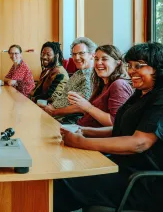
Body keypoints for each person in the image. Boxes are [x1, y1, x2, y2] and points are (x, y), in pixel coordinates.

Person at [55, 42, 163, 212]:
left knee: (63, 182)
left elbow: (139, 143)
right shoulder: (139, 94)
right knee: (61, 175)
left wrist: (81, 142)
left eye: (138, 66)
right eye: (130, 65)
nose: (132, 71)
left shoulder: (159, 98)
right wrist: (86, 132)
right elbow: (121, 128)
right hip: (120, 166)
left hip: (140, 182)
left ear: (158, 68)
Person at [69, 45, 133, 127]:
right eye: (96, 59)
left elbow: (115, 123)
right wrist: (80, 102)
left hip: (89, 136)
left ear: (118, 63)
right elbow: (92, 116)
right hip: (79, 128)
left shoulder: (119, 85)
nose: (98, 63)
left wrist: (88, 106)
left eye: (104, 59)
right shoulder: (102, 83)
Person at [39, 37, 97, 123]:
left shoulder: (91, 76)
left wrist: (54, 111)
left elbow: (82, 107)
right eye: (74, 54)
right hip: (53, 112)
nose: (76, 57)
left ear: (92, 55)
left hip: (64, 119)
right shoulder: (78, 73)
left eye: (81, 53)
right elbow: (64, 97)